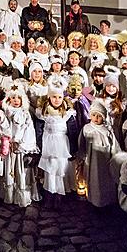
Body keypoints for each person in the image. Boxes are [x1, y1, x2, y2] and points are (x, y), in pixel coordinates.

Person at [37, 75, 76, 208]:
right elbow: (39, 130)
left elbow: (72, 131)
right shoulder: (43, 113)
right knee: (50, 169)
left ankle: (60, 195)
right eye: (54, 97)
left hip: (62, 145)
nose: (57, 100)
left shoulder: (68, 114)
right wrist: (38, 146)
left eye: (59, 97)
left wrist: (73, 148)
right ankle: (49, 194)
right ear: (49, 97)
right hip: (48, 144)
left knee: (61, 168)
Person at [0, 82, 40, 207]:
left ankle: (21, 195)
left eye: (18, 98)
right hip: (9, 147)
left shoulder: (25, 114)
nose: (16, 101)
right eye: (13, 98)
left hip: (20, 147)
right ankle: (9, 195)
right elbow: (2, 127)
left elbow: (29, 130)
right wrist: (6, 140)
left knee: (21, 171)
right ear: (8, 99)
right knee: (9, 170)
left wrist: (21, 143)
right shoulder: (5, 113)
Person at [78, 101, 121, 208]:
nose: (96, 118)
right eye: (93, 115)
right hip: (91, 161)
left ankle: (106, 202)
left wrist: (116, 158)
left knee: (104, 182)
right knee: (92, 182)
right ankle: (93, 200)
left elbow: (114, 145)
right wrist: (81, 155)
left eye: (99, 116)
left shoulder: (107, 131)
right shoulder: (87, 128)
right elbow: (81, 143)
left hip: (105, 162)